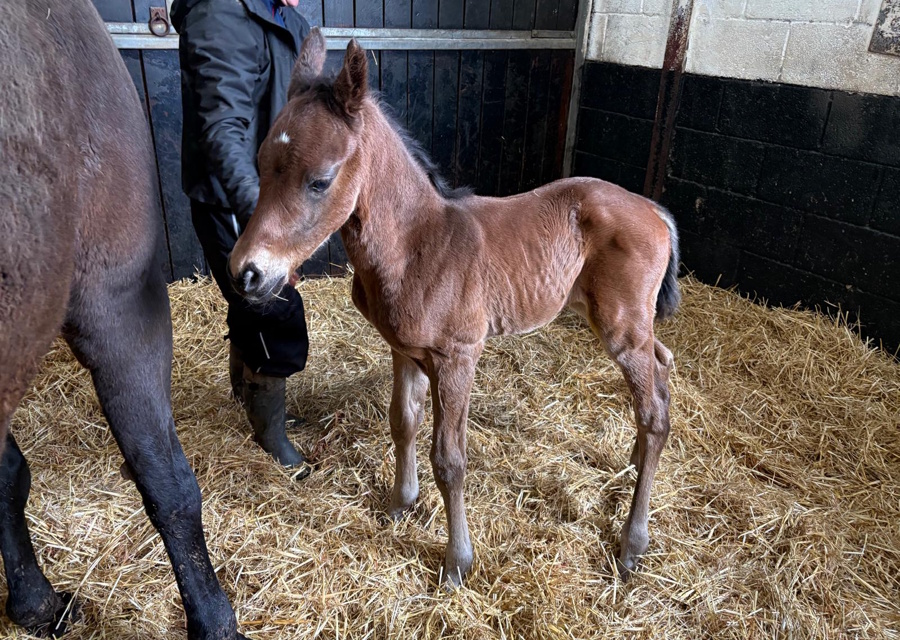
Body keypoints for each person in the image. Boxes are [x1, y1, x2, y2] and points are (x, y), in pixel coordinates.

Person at [171, 0, 312, 472]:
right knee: (273, 310)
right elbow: (221, 130)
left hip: (270, 192)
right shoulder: (219, 13)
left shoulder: (282, 15)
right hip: (236, 196)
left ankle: (244, 392)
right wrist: (266, 225)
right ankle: (270, 436)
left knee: (251, 301)